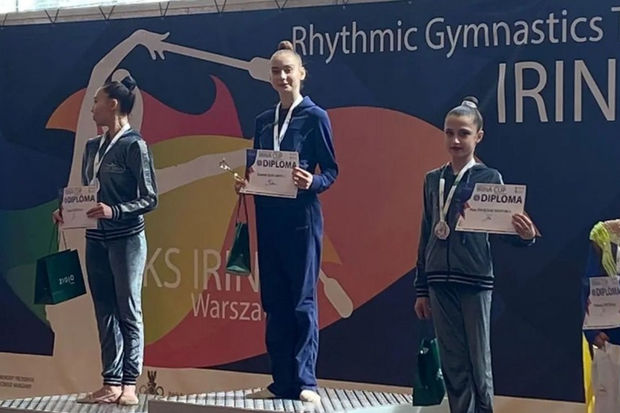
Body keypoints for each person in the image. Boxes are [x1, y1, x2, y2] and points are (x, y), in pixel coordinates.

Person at [413, 96, 536, 413]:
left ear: (478, 136)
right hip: (439, 281)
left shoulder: (489, 178)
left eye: (463, 133)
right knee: (452, 363)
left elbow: (505, 230)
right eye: (449, 133)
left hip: (475, 279)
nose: (455, 140)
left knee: (478, 362)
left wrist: (525, 236)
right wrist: (422, 288)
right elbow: (426, 233)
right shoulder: (433, 179)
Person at [234, 40, 338, 403]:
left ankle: (306, 381)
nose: (282, 77)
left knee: (302, 301)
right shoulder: (264, 121)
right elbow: (259, 168)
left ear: (301, 74)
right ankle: (280, 381)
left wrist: (313, 181)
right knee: (274, 302)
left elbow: (332, 171)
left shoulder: (316, 117)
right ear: (270, 78)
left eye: (288, 70)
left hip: (302, 220)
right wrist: (246, 183)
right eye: (276, 71)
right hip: (268, 218)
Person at [53, 75, 158, 405]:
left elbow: (150, 198)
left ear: (113, 105)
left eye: (96, 101)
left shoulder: (135, 146)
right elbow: (87, 193)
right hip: (95, 238)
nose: (92, 108)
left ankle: (130, 383)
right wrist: (67, 212)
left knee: (129, 309)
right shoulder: (91, 147)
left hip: (126, 239)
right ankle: (110, 382)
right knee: (104, 310)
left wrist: (116, 210)